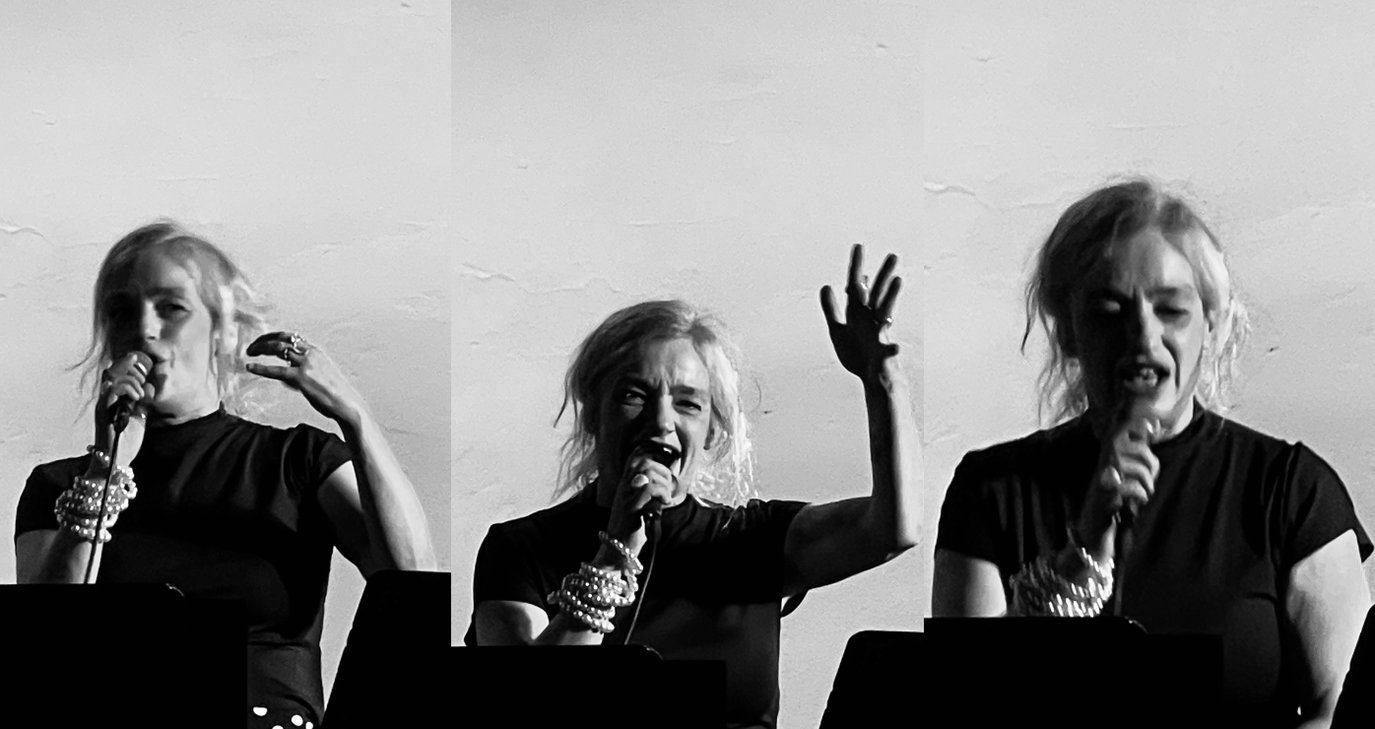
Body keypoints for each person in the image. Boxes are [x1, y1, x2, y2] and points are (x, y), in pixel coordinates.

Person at [931, 179, 1373, 726]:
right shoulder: (991, 491)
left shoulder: (1290, 491)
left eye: (1171, 310)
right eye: (1109, 310)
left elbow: (1342, 708)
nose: (1142, 335)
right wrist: (1083, 550)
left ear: (1213, 325)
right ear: (1067, 332)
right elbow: (965, 702)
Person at [465, 245, 921, 728]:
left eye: (687, 403)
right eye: (634, 395)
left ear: (712, 430)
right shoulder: (521, 550)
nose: (661, 422)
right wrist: (616, 552)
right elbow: (526, 706)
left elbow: (892, 530)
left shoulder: (748, 539)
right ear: (593, 411)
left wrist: (883, 379)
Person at [14, 222, 436, 727]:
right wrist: (107, 467)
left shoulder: (296, 461)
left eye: (171, 308)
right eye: (122, 311)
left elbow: (412, 584)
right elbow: (40, 652)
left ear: (223, 332)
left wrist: (356, 418)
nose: (144, 329)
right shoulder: (59, 488)